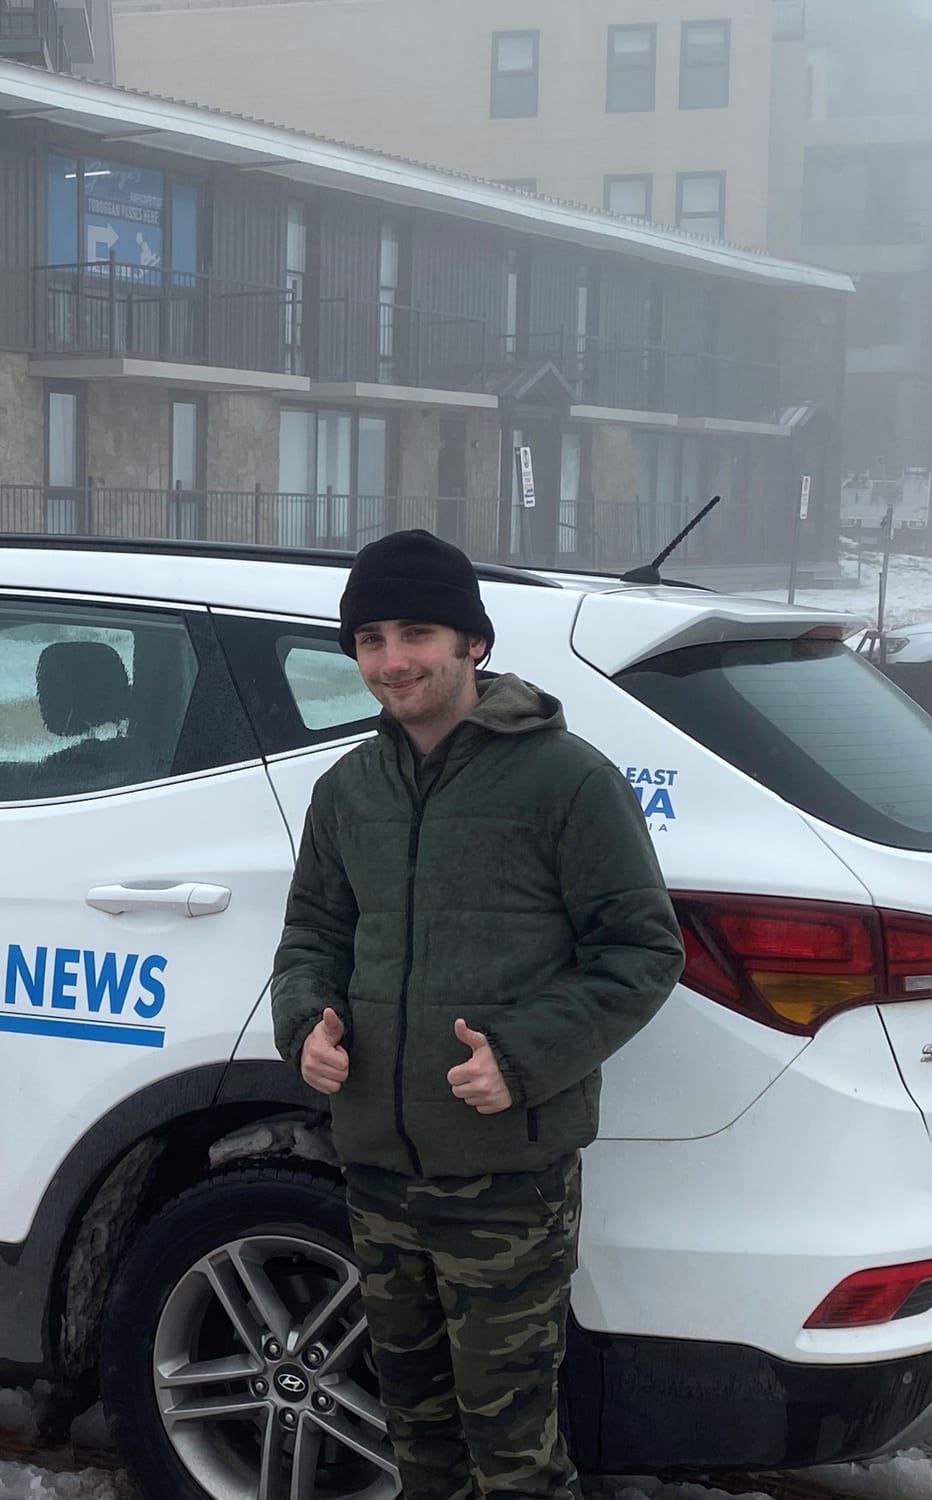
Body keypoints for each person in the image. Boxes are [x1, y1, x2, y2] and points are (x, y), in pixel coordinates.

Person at [270, 529, 684, 1500]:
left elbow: (641, 949)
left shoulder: (563, 780)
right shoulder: (347, 791)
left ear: (472, 644)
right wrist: (306, 1024)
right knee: (414, 1437)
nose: (391, 659)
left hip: (505, 1180)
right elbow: (311, 937)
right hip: (377, 1167)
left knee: (512, 1453)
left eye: (416, 632)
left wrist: (523, 1055)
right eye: (368, 638)